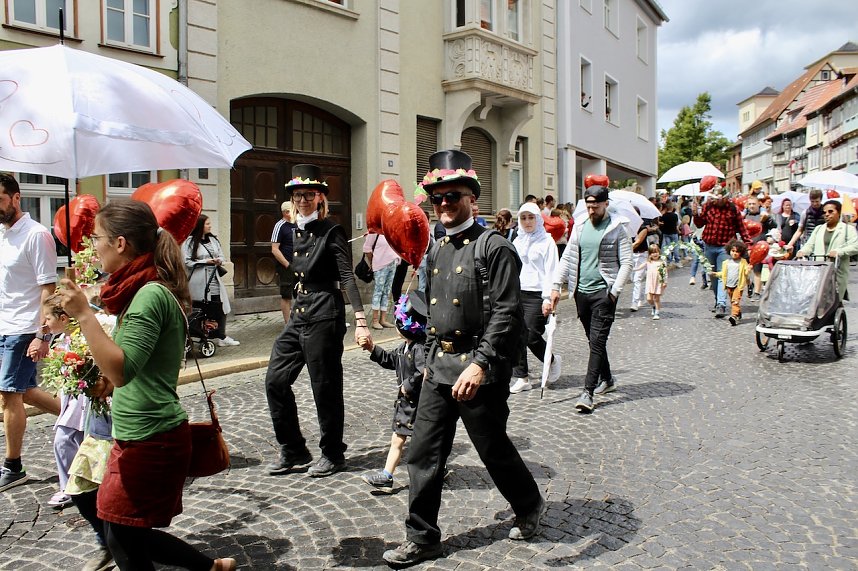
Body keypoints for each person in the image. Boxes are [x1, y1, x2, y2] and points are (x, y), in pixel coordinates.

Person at [382, 150, 544, 567]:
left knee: (493, 449)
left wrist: (481, 363)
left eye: (452, 195)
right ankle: (422, 537)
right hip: (438, 367)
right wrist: (406, 316)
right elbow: (429, 307)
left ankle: (528, 503)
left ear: (473, 197)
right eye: (436, 197)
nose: (444, 204)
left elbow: (507, 313)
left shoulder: (495, 248)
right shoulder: (435, 248)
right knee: (423, 452)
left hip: (478, 370)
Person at [56, 199, 235, 570]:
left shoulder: (148, 293)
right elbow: (128, 368)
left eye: (97, 238)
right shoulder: (135, 289)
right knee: (126, 532)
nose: (94, 247)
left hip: (152, 437)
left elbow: (124, 369)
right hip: (137, 432)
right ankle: (213, 568)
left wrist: (84, 315)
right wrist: (106, 382)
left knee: (121, 535)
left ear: (120, 243)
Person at [265, 164, 371, 478]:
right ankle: (294, 448)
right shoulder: (294, 229)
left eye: (309, 195)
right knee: (275, 380)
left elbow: (346, 277)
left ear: (320, 197)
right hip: (299, 313)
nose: (303, 200)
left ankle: (333, 453)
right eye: (298, 195)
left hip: (325, 313)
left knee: (324, 386)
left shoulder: (331, 231)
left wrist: (361, 319)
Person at [0, 173, 60, 492]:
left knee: (8, 394)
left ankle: (13, 466)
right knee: (22, 391)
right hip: (3, 325)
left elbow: (48, 289)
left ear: (16, 197)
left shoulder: (37, 235)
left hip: (23, 328)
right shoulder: (2, 233)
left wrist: (43, 335)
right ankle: (80, 417)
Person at [550, 184, 632, 412]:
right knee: (593, 340)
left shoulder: (617, 228)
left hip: (603, 294)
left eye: (596, 204)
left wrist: (614, 292)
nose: (592, 208)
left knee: (597, 342)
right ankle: (608, 379)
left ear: (606, 203)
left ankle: (587, 393)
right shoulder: (580, 227)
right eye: (588, 204)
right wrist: (557, 286)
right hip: (581, 293)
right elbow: (567, 258)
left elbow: (627, 262)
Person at [357, 292, 427, 493]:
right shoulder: (405, 347)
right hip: (406, 405)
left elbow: (423, 372)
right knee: (400, 439)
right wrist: (372, 348)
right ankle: (387, 477)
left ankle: (434, 469)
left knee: (423, 443)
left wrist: (408, 385)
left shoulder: (418, 350)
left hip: (417, 405)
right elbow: (390, 360)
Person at [509, 202, 561, 394]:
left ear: (538, 219)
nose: (527, 222)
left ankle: (552, 360)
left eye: (531, 217)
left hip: (538, 294)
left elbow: (551, 271)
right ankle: (522, 377)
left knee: (531, 335)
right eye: (523, 218)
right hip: (519, 292)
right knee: (516, 334)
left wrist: (548, 298)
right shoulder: (517, 241)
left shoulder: (547, 242)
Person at [42, 294, 82, 509]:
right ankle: (69, 487)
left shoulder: (79, 339)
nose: (45, 323)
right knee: (64, 441)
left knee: (73, 441)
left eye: (48, 318)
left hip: (82, 401)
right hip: (72, 401)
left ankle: (76, 487)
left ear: (64, 318)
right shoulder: (61, 340)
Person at [691, 181, 751, 318]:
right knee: (712, 275)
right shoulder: (708, 206)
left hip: (726, 247)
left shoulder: (733, 209)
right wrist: (695, 214)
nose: (717, 201)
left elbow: (741, 227)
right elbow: (700, 224)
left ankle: (721, 304)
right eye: (715, 198)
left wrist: (748, 243)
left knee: (723, 274)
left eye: (720, 199)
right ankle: (718, 300)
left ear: (725, 197)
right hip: (709, 245)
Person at [183, 215, 239, 347]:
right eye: (207, 223)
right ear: (200, 225)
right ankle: (202, 334)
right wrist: (205, 261)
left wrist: (218, 260)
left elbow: (221, 255)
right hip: (199, 280)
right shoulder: (190, 242)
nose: (210, 226)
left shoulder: (213, 240)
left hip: (214, 278)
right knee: (201, 308)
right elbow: (187, 262)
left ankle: (221, 335)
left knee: (220, 305)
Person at [796, 199, 858, 300]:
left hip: (837, 271)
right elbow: (809, 245)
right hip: (819, 270)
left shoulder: (847, 229)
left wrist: (839, 252)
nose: (827, 215)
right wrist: (802, 252)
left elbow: (855, 246)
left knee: (833, 300)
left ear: (838, 213)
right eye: (824, 212)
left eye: (830, 212)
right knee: (818, 300)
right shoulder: (819, 229)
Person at [363, 232, 400, 330]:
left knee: (387, 292)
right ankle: (375, 320)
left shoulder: (391, 229)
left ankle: (383, 320)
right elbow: (367, 248)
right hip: (380, 265)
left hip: (393, 263)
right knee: (378, 291)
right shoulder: (374, 231)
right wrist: (372, 261)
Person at [743, 196, 776, 301]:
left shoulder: (763, 216)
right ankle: (750, 284)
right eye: (750, 204)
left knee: (757, 271)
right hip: (746, 247)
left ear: (758, 205)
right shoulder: (744, 216)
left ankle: (757, 292)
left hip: (758, 247)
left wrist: (768, 219)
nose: (752, 206)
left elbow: (774, 226)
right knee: (745, 271)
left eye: (754, 204)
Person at [711, 239, 751, 326]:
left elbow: (746, 272)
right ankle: (738, 312)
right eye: (733, 251)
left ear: (741, 253)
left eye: (737, 252)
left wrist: (748, 270)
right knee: (732, 300)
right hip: (729, 285)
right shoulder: (726, 263)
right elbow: (723, 274)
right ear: (729, 251)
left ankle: (734, 316)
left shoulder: (743, 262)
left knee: (735, 301)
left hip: (738, 285)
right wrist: (715, 274)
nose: (734, 253)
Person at [272, 201, 297, 323]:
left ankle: (299, 319)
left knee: (302, 293)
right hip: (286, 266)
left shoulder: (298, 224)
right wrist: (287, 265)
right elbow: (274, 249)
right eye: (294, 210)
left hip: (300, 264)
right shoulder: (280, 226)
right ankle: (288, 323)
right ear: (286, 212)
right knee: (286, 295)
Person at [630, 212, 655, 311]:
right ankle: (639, 297)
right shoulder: (626, 226)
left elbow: (638, 242)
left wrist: (624, 248)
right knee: (632, 278)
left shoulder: (643, 227)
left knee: (637, 278)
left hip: (641, 254)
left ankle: (634, 302)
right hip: (631, 255)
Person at [786, 189, 825, 254]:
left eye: (817, 201)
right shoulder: (805, 213)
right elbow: (799, 230)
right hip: (807, 243)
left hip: (821, 244)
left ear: (821, 200)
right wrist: (790, 244)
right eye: (812, 201)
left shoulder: (826, 213)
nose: (815, 204)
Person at [641, 244, 667, 320]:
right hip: (650, 282)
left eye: (656, 252)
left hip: (658, 282)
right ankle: (653, 306)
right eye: (652, 252)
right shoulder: (648, 262)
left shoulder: (661, 262)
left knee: (656, 298)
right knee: (649, 298)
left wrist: (665, 281)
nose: (655, 254)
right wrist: (633, 269)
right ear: (650, 254)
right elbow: (641, 266)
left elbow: (665, 272)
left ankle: (657, 313)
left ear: (659, 252)